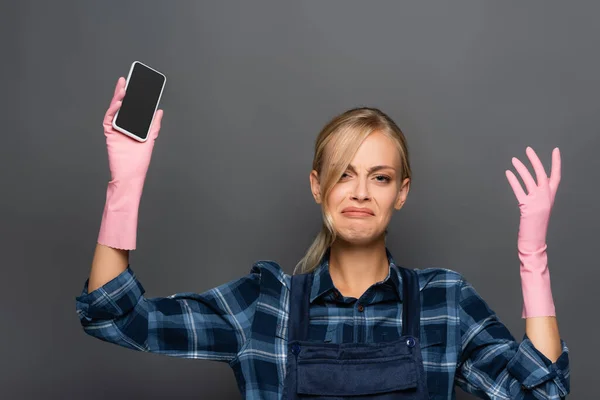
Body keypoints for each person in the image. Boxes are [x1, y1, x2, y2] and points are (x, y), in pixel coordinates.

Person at [76, 77, 570, 399]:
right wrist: (125, 186)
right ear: (317, 185)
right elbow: (115, 316)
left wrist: (533, 257)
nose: (359, 193)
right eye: (343, 174)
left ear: (402, 192)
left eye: (379, 177)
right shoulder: (262, 306)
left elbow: (541, 393)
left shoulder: (445, 302)